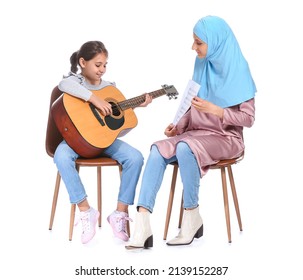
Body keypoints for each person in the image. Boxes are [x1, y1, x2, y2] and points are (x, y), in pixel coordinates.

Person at [125, 15, 256, 250]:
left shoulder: (239, 70)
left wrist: (217, 110)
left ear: (215, 42)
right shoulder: (202, 63)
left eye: (198, 42)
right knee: (157, 149)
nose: (193, 47)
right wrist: (178, 126)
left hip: (226, 138)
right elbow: (192, 104)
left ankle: (191, 215)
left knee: (186, 148)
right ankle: (142, 225)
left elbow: (248, 119)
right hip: (195, 134)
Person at [53, 41, 152, 244]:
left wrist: (135, 109)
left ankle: (120, 213)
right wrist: (94, 100)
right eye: (98, 64)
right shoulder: (74, 81)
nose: (102, 69)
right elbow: (63, 86)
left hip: (102, 142)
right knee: (60, 156)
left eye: (105, 65)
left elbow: (117, 131)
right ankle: (85, 210)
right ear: (83, 62)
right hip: (75, 141)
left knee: (135, 157)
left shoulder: (110, 89)